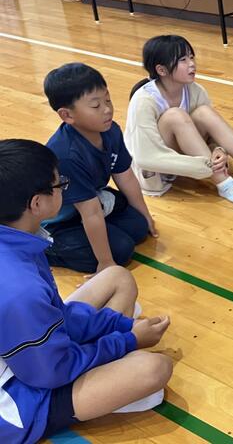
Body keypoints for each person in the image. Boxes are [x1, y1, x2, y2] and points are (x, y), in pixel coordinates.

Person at [0, 139, 172, 444]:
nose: (63, 189)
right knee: (154, 369)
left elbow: (58, 317)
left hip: (30, 355)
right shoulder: (20, 289)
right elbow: (51, 372)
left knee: (117, 277)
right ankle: (103, 391)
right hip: (17, 399)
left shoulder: (18, 240)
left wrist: (123, 326)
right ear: (37, 203)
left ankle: (108, 374)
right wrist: (128, 340)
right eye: (59, 184)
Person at [125, 35, 233, 205]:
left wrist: (217, 150)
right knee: (175, 116)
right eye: (183, 60)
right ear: (161, 70)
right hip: (158, 168)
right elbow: (145, 156)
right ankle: (223, 183)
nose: (192, 64)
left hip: (190, 157)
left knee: (204, 112)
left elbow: (211, 134)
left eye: (191, 57)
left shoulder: (194, 90)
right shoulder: (143, 100)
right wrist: (203, 166)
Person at [42, 63, 156, 273]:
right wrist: (105, 262)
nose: (107, 109)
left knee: (139, 226)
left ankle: (95, 236)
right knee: (121, 250)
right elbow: (91, 212)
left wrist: (146, 215)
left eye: (108, 100)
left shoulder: (111, 131)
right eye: (96, 106)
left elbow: (125, 176)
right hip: (60, 222)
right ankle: (48, 249)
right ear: (67, 115)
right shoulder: (67, 155)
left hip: (90, 202)